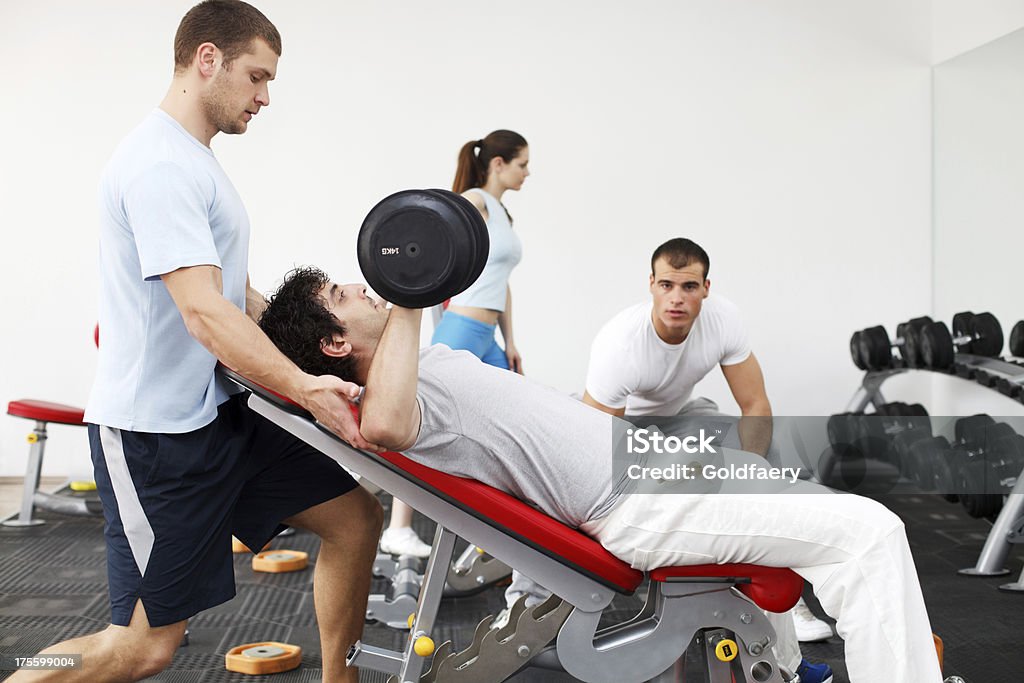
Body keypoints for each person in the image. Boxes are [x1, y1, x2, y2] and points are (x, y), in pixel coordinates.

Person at [257, 265, 954, 683]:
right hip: (643, 504)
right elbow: (381, 426)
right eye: (340, 292)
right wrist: (407, 293)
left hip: (657, 471)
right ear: (334, 342)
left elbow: (272, 320)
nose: (359, 285)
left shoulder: (407, 364)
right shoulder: (386, 398)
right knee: (869, 532)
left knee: (818, 511)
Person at [8, 5, 382, 682]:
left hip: (223, 416)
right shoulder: (159, 166)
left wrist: (329, 350)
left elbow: (237, 295)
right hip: (158, 438)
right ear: (207, 59)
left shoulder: (194, 161)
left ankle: (340, 679)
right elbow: (204, 313)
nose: (265, 96)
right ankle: (25, 668)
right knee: (142, 647)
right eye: (256, 76)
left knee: (355, 520)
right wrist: (303, 387)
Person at [582, 237, 831, 682]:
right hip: (626, 430)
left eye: (689, 286)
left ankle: (788, 608)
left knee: (771, 472)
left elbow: (755, 404)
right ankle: (519, 599)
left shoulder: (724, 321)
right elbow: (594, 443)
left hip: (684, 417)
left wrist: (750, 472)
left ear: (707, 288)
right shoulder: (621, 346)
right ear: (651, 285)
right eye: (667, 285)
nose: (677, 298)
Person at [380, 130, 529, 558]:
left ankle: (497, 529)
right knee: (422, 418)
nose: (527, 172)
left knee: (512, 414)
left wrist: (511, 339)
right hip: (463, 326)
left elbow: (503, 284)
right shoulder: (475, 201)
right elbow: (433, 249)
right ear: (498, 164)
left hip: (488, 333)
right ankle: (399, 528)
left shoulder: (502, 213)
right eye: (522, 164)